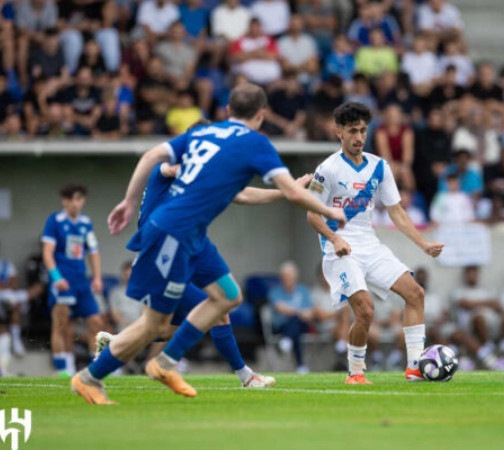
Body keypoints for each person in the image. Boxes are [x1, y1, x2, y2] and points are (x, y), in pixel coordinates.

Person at [71, 84, 347, 404]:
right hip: (169, 238)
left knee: (227, 297)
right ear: (262, 115)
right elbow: (164, 165)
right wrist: (327, 209)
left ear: (228, 112)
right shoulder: (241, 143)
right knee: (158, 325)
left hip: (192, 239)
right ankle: (98, 374)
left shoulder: (208, 140)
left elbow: (239, 194)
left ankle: (170, 362)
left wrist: (129, 202)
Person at [306, 101, 444, 384]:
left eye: (362, 131)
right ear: (339, 133)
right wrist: (334, 239)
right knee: (366, 310)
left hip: (370, 245)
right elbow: (312, 216)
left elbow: (397, 212)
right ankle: (355, 372)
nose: (358, 137)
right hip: (339, 250)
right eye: (352, 131)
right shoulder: (327, 169)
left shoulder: (379, 167)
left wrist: (423, 243)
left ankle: (415, 367)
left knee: (415, 294)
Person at [42, 183, 105, 376]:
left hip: (81, 282)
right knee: (62, 324)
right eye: (72, 199)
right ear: (65, 200)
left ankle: (97, 367)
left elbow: (93, 252)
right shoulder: (55, 221)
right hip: (63, 281)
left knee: (96, 322)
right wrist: (56, 277)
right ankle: (64, 370)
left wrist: (97, 277)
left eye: (80, 199)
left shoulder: (86, 223)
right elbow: (47, 252)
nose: (76, 204)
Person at [451, 265, 504, 366]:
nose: (472, 276)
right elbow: (465, 304)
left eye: (474, 273)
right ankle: (488, 347)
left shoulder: (487, 289)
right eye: (470, 273)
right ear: (466, 275)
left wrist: (475, 304)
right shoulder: (460, 290)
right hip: (471, 327)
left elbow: (496, 303)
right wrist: (485, 303)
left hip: (493, 324)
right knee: (479, 317)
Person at [268, 261, 314, 374]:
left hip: (301, 325)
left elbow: (310, 314)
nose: (286, 280)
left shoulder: (303, 291)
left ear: (295, 277)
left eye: (289, 277)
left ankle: (286, 341)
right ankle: (300, 365)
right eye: (284, 277)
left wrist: (295, 312)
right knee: (294, 326)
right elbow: (281, 308)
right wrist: (299, 312)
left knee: (295, 324)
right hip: (281, 326)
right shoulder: (275, 292)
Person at [108, 261, 144, 333]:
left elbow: (144, 313)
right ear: (122, 274)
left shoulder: (143, 292)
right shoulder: (115, 292)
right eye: (126, 274)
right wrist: (126, 325)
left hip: (141, 325)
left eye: (131, 275)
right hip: (123, 326)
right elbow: (114, 314)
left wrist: (138, 325)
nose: (128, 277)